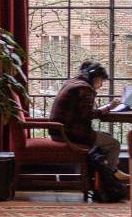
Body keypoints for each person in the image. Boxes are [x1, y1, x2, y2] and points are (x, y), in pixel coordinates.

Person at [52, 60, 127, 203]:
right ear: (95, 77)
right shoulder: (85, 89)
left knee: (106, 140)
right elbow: (87, 115)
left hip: (59, 131)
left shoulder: (72, 83)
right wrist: (108, 108)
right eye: (101, 80)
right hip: (70, 134)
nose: (102, 84)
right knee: (114, 144)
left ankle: (103, 181)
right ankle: (110, 179)